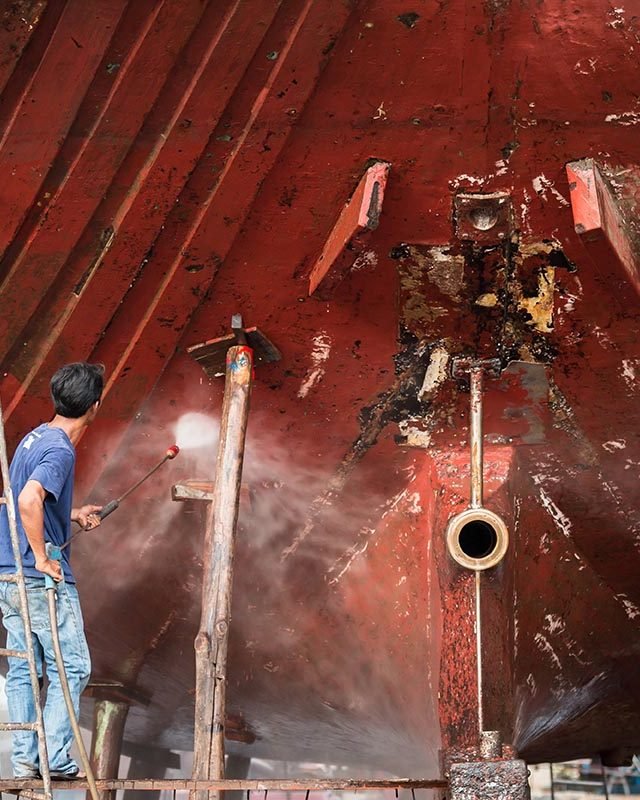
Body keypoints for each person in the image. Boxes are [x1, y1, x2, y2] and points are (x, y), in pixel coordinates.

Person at [0, 362, 105, 779]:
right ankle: (59, 759)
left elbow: (19, 497)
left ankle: (25, 761)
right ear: (94, 406)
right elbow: (27, 500)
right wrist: (43, 558)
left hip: (7, 573)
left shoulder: (33, 438)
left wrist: (71, 513)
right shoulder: (61, 448)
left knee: (25, 666)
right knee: (73, 665)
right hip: (37, 576)